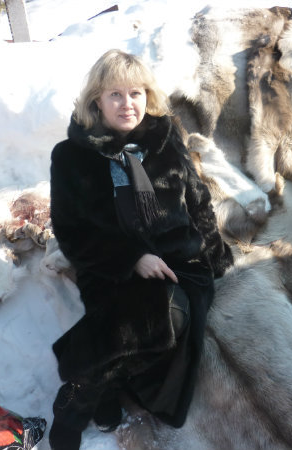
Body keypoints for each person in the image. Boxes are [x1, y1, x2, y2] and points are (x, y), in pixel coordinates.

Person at [48, 49, 233, 450]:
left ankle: (94, 384)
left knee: (171, 312)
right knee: (153, 312)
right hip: (111, 268)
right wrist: (131, 259)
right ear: (96, 100)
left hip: (180, 258)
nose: (127, 104)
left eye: (136, 93)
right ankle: (79, 399)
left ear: (148, 96)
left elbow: (198, 200)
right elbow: (70, 231)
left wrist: (216, 254)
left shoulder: (166, 139)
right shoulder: (70, 156)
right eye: (115, 94)